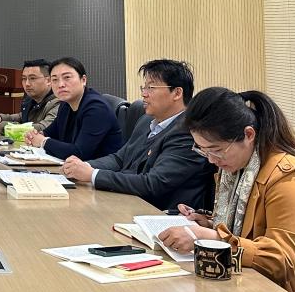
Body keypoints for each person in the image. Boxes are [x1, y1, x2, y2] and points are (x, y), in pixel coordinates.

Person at [156, 87, 295, 292]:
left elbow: (284, 261)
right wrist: (208, 224)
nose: (211, 159)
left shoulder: (292, 179)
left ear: (249, 135)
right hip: (246, 284)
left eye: (216, 150)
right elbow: (250, 229)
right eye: (203, 150)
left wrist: (214, 238)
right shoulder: (237, 167)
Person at [60, 59, 213, 211]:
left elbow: (153, 184)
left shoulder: (188, 133)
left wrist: (93, 175)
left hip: (158, 213)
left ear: (177, 93)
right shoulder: (146, 120)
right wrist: (84, 167)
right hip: (127, 202)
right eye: (144, 87)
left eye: (151, 87)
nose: (144, 94)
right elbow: (120, 159)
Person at [25, 57, 122, 160]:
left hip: (97, 167)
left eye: (67, 77)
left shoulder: (97, 108)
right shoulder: (65, 104)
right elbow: (51, 132)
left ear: (83, 80)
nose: (61, 85)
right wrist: (34, 136)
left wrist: (42, 141)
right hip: (72, 166)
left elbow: (79, 153)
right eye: (55, 80)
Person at [0, 59, 60, 135]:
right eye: (24, 78)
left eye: (32, 78)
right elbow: (23, 117)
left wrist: (3, 128)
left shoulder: (59, 102)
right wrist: (1, 118)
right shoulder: (30, 98)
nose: (27, 84)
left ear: (48, 80)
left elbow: (44, 128)